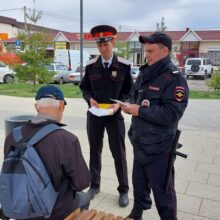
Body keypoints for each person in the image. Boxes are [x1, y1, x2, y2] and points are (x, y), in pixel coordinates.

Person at [120, 32, 189, 220]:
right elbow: (135, 97)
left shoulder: (174, 79)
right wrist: (124, 104)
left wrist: (139, 111)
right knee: (139, 183)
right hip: (140, 141)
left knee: (163, 192)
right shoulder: (144, 73)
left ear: (165, 50)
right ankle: (137, 213)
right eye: (145, 51)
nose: (146, 55)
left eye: (150, 51)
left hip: (160, 147)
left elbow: (172, 113)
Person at [3, 85, 91, 220]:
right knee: (85, 198)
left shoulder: (12, 136)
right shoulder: (67, 139)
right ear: (61, 106)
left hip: (18, 207)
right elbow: (82, 183)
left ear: (36, 107)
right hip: (52, 212)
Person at [79, 25, 132, 207]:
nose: (103, 48)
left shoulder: (124, 65)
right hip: (95, 114)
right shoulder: (91, 65)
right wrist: (90, 99)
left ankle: (123, 190)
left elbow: (129, 91)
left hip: (114, 115)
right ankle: (94, 186)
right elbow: (84, 87)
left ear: (113, 42)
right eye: (99, 45)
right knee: (95, 150)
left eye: (106, 44)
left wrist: (120, 103)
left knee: (119, 153)